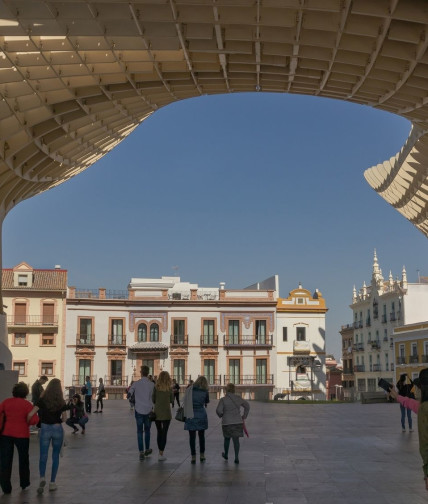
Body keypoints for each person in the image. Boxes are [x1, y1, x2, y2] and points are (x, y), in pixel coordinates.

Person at [27, 378, 68, 494]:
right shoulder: (61, 401)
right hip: (57, 429)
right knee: (55, 456)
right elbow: (64, 419)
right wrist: (58, 419)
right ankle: (52, 483)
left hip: (44, 429)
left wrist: (28, 422)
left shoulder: (42, 400)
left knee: (43, 455)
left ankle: (42, 478)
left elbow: (31, 414)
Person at [0, 382, 39, 494]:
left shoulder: (6, 402)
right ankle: (24, 483)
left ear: (14, 392)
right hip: (22, 435)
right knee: (23, 460)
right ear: (26, 393)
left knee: (5, 460)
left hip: (5, 434)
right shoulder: (27, 404)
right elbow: (33, 421)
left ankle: (6, 487)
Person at [216, 383, 250, 464]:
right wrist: (244, 416)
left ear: (226, 390)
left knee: (227, 439)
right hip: (237, 421)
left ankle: (226, 454)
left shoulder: (223, 400)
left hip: (226, 422)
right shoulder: (238, 398)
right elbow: (247, 406)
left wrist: (221, 415)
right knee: (236, 440)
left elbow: (218, 410)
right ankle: (236, 457)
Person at [128, 366, 155, 460]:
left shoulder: (136, 383)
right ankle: (147, 449)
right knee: (147, 431)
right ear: (148, 373)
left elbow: (130, 391)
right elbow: (153, 398)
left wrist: (129, 394)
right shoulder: (151, 384)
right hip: (148, 410)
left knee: (139, 431)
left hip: (138, 409)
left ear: (141, 372)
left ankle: (141, 452)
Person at [184, 376, 209, 464]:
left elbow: (185, 400)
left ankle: (193, 456)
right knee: (201, 436)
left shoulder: (190, 389)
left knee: (192, 437)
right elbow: (206, 401)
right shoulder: (205, 391)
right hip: (201, 414)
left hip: (191, 414)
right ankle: (202, 455)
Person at [152, 371, 173, 461]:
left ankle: (159, 453)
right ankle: (161, 452)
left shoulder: (156, 387)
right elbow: (172, 400)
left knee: (159, 432)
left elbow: (153, 399)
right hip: (167, 413)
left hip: (157, 413)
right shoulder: (169, 388)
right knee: (164, 433)